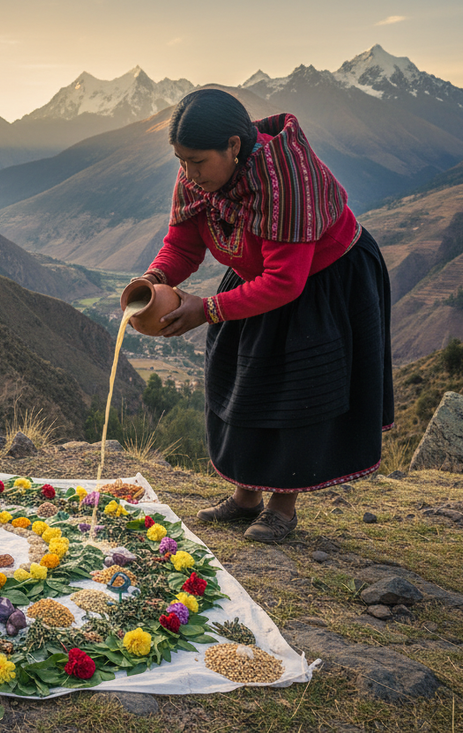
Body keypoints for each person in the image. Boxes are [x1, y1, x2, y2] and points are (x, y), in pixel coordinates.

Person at [134, 88, 394, 542]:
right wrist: (155, 278)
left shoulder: (285, 179)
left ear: (234, 146)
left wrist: (209, 310)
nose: (189, 174)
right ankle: (245, 497)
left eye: (197, 162)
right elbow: (183, 244)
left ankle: (283, 507)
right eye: (181, 161)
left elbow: (286, 282)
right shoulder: (199, 178)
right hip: (258, 278)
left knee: (296, 393)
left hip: (320, 282)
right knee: (241, 382)